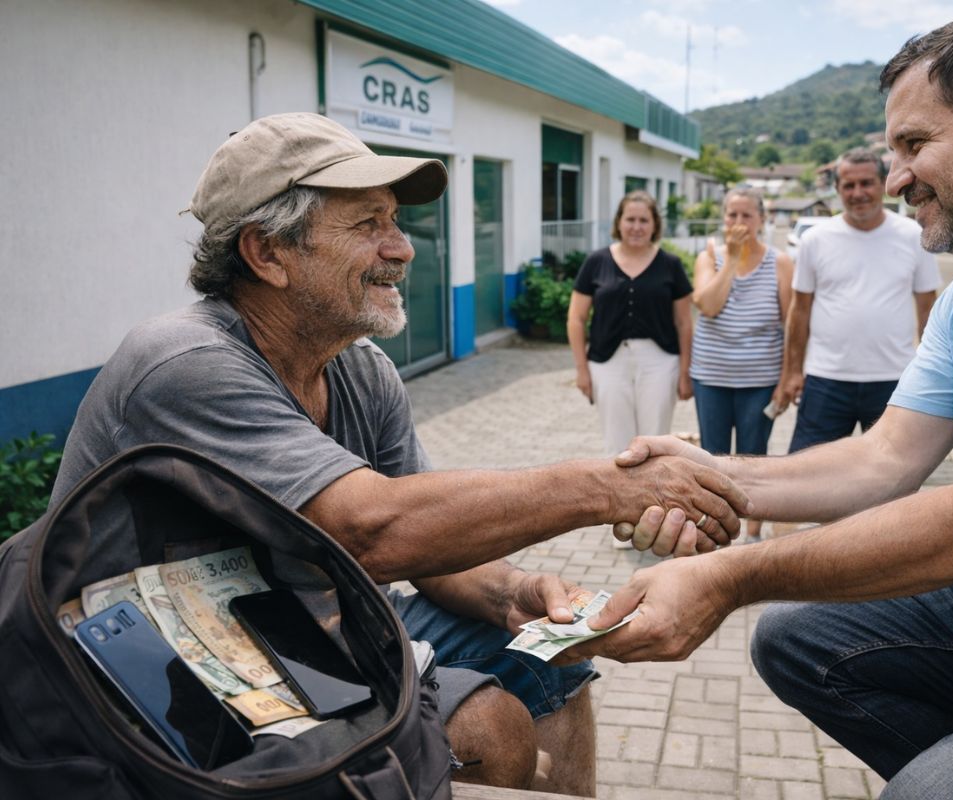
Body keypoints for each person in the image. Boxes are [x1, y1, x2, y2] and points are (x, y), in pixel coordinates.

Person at [575, 8, 953, 798]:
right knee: (797, 640)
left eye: (913, 145)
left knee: (938, 791)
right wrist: (703, 472)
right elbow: (884, 458)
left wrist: (731, 574)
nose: (896, 176)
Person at [48, 113, 751, 795]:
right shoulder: (184, 362)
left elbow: (428, 542)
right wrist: (606, 488)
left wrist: (514, 593)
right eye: (367, 225)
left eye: (393, 220)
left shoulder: (360, 369)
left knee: (553, 656)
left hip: (312, 624)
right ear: (267, 253)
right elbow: (370, 531)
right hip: (169, 670)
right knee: (490, 726)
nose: (402, 247)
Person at [783, 148, 939, 453]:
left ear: (882, 184)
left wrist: (930, 376)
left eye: (866, 183)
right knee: (807, 472)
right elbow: (799, 311)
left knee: (893, 478)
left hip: (893, 379)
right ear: (837, 189)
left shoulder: (913, 236)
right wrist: (792, 372)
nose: (858, 193)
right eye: (848, 185)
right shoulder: (815, 240)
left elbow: (928, 311)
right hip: (826, 378)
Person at [567, 190, 695, 547]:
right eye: (630, 219)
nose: (636, 226)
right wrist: (581, 369)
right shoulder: (596, 262)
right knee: (617, 444)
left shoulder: (670, 264)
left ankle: (655, 521)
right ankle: (622, 521)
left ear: (654, 225)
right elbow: (576, 319)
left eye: (644, 220)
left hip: (659, 362)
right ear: (619, 223)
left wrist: (686, 372)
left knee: (655, 442)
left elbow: (685, 323)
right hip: (608, 362)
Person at [689, 188, 793, 541]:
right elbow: (707, 304)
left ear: (761, 220)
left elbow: (789, 324)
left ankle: (752, 531)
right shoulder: (709, 257)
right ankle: (714, 528)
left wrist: (787, 378)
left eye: (746, 215)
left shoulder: (779, 262)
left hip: (760, 380)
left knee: (753, 459)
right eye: (732, 215)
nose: (738, 223)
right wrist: (731, 261)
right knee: (712, 457)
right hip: (712, 377)